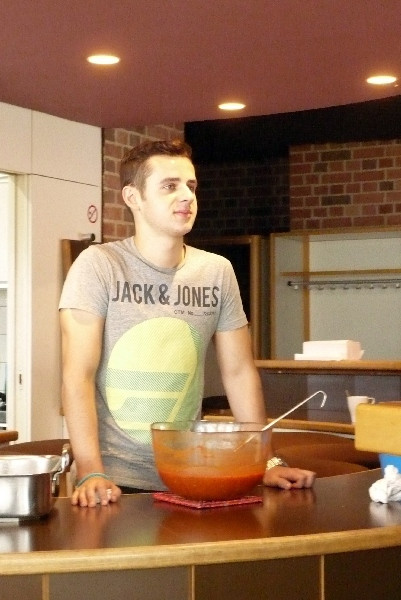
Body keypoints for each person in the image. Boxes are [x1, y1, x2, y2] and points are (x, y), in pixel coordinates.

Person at [59, 139, 315, 508]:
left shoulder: (216, 271)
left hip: (192, 474)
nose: (186, 196)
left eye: (191, 186)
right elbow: (77, 376)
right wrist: (90, 470)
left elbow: (240, 373)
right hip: (115, 482)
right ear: (133, 197)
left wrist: (265, 461)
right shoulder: (99, 266)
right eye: (169, 186)